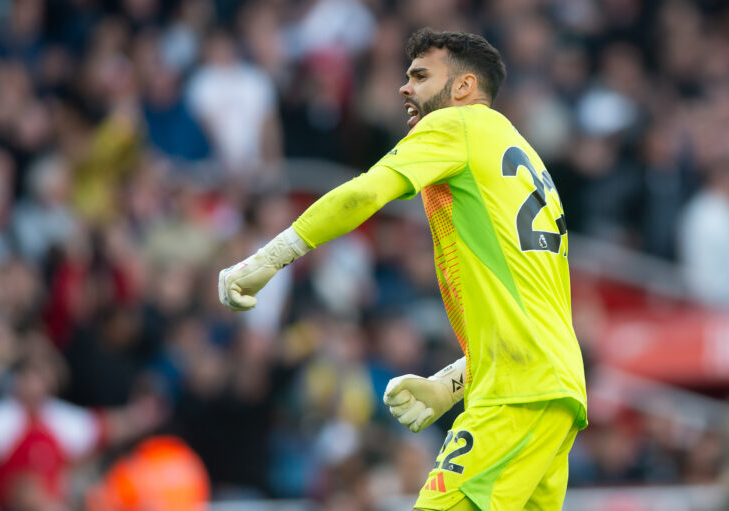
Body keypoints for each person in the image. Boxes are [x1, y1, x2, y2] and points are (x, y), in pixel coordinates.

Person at [218, 28, 587, 511]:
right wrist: (447, 385)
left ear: (463, 88)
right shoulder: (521, 158)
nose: (404, 88)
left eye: (420, 75)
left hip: (516, 395)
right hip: (553, 389)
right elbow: (527, 320)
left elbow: (364, 193)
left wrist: (269, 259)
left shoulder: (458, 125)